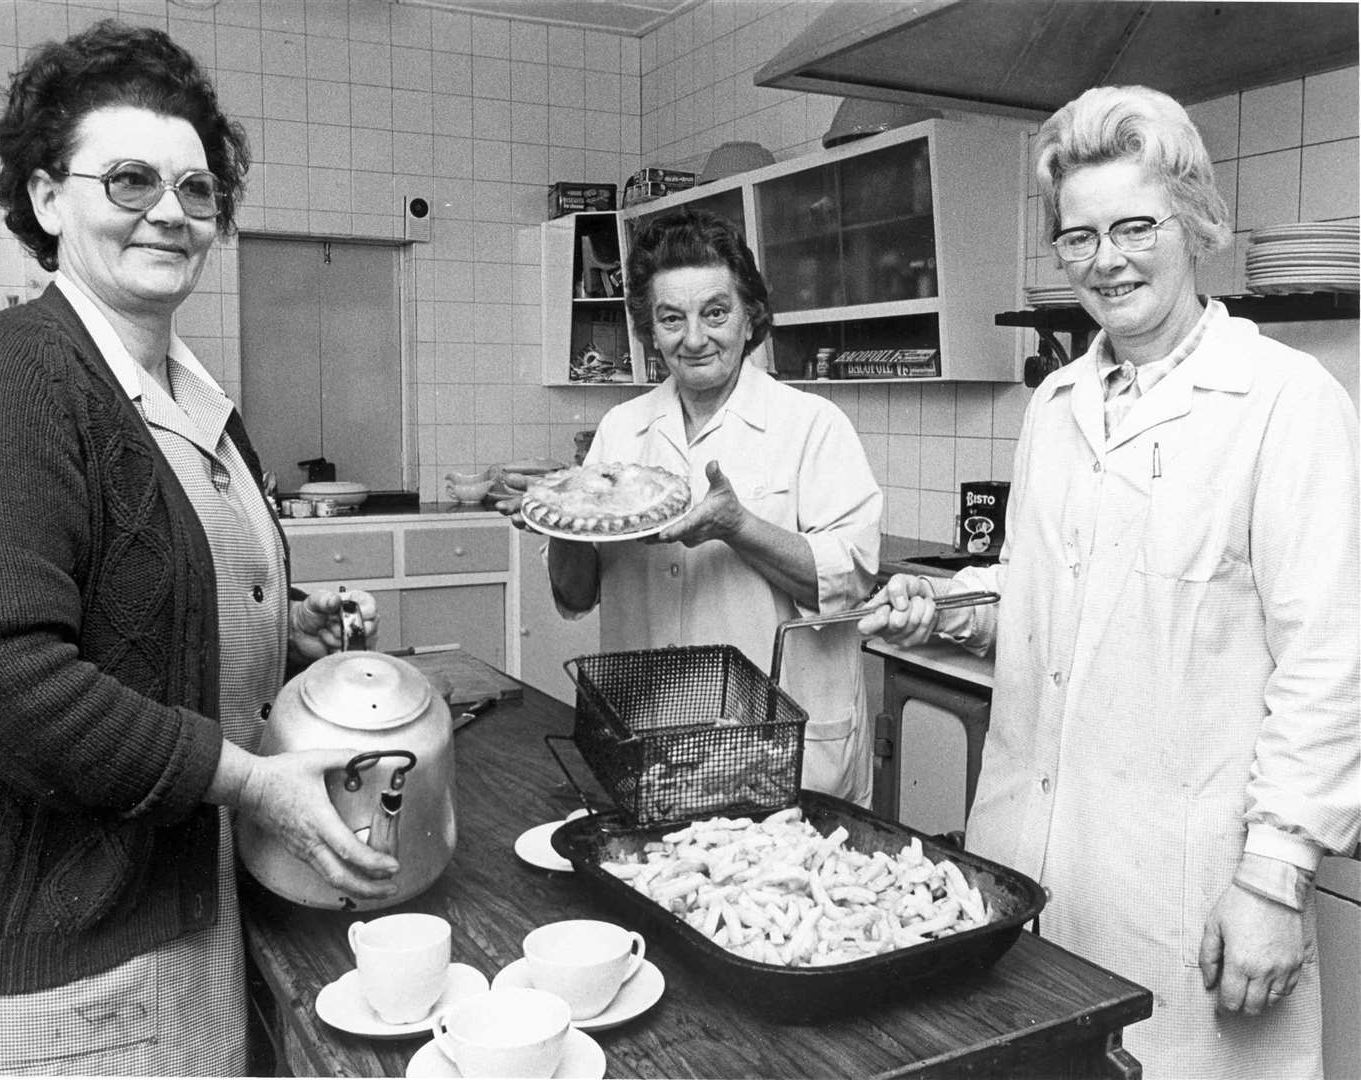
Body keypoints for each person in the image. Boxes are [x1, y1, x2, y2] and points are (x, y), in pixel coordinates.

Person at [859, 85, 1359, 1079]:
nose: (1107, 259)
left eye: (1134, 226)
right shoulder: (1057, 401)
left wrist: (1272, 880)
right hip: (1033, 866)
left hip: (1185, 884)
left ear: (1197, 225)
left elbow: (1329, 663)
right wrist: (952, 606)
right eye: (1077, 237)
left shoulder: (1282, 400)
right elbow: (1052, 597)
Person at [0, 21, 399, 1075]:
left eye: (198, 191)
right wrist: (250, 781)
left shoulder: (194, 395)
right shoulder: (16, 376)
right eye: (129, 179)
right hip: (76, 970)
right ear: (48, 199)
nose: (170, 211)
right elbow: (0, 677)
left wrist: (274, 624)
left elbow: (146, 609)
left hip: (194, 915)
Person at [502, 209, 882, 803]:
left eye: (715, 312)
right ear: (650, 329)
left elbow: (850, 580)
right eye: (671, 318)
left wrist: (738, 525)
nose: (695, 338)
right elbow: (576, 597)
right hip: (648, 737)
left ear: (751, 315)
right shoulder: (621, 430)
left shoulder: (811, 425)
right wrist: (563, 517)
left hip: (776, 744)